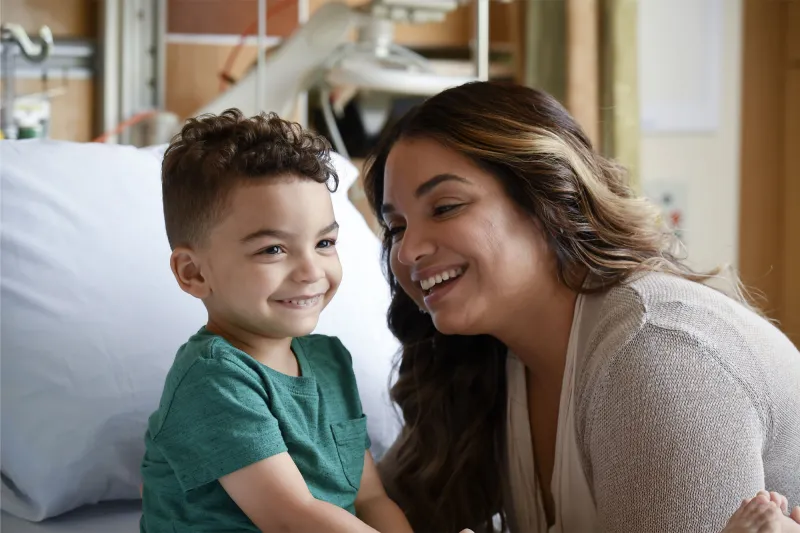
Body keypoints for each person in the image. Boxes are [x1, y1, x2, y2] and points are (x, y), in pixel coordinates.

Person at [361, 81, 800, 533]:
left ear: (546, 197)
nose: (408, 251)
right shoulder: (486, 360)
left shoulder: (656, 351)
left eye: (446, 207)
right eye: (396, 227)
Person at [139, 109, 413, 533]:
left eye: (324, 242)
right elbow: (292, 518)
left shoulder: (331, 363)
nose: (310, 271)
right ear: (193, 273)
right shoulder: (212, 379)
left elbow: (371, 499)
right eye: (273, 250)